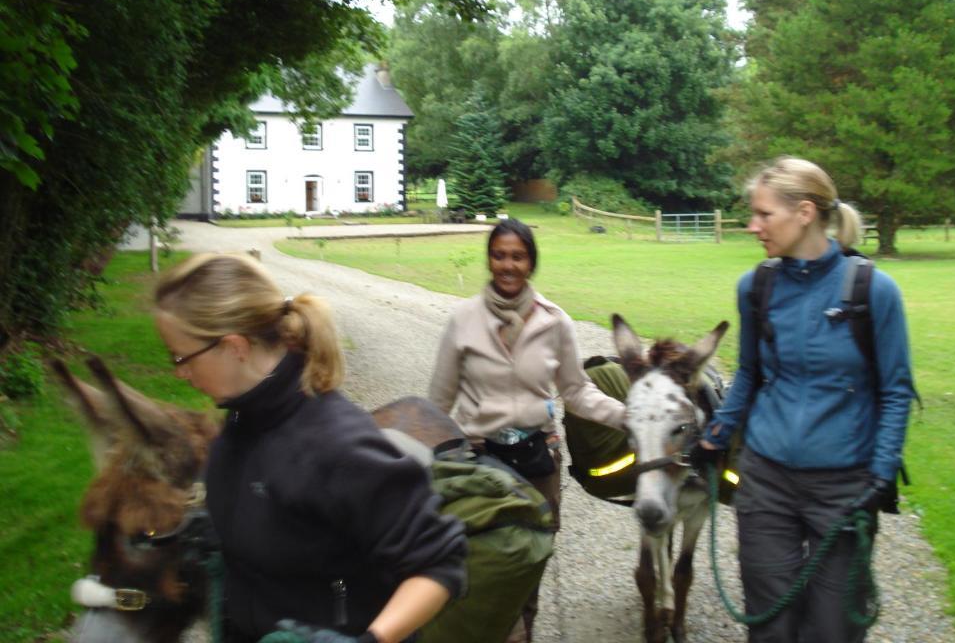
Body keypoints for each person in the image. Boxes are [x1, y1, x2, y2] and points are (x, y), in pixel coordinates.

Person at [154, 253, 466, 643]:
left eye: (181, 356)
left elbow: (439, 563)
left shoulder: (337, 445)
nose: (178, 372)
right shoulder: (239, 422)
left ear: (234, 346)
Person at [694, 157, 916, 643]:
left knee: (834, 628)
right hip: (765, 480)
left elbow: (897, 390)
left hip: (844, 487)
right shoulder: (756, 287)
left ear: (805, 212)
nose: (752, 226)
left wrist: (880, 473)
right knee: (769, 623)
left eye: (763, 214)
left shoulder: (873, 290)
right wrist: (716, 435)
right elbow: (751, 371)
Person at [428, 218, 626, 643]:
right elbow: (438, 403)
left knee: (526, 568)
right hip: (478, 463)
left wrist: (628, 417)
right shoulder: (463, 319)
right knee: (478, 563)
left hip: (538, 462)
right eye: (499, 255)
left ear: (531, 263)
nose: (507, 265)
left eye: (517, 256)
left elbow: (576, 391)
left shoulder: (555, 323)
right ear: (489, 260)